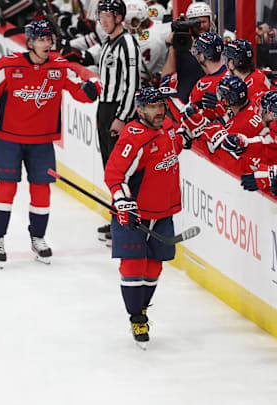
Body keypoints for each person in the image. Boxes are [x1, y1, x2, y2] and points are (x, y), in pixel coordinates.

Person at [0, 19, 99, 268]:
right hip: (10, 139)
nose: (47, 44)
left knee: (41, 191)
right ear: (29, 43)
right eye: (41, 40)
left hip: (42, 142)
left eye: (49, 39)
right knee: (6, 190)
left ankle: (38, 237)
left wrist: (92, 87)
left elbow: (80, 90)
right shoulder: (10, 66)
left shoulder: (58, 69)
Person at [103, 87, 192, 347]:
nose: (159, 110)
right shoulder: (133, 137)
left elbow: (173, 145)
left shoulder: (165, 128)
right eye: (153, 107)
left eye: (161, 106)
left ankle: (141, 310)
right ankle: (136, 317)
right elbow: (114, 175)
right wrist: (123, 203)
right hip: (134, 213)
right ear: (140, 110)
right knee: (132, 267)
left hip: (162, 212)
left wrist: (186, 136)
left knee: (154, 267)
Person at [96, 0, 141, 242]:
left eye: (108, 15)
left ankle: (126, 225)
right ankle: (118, 217)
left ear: (119, 17)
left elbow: (134, 83)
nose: (103, 20)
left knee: (120, 171)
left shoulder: (128, 43)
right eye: (101, 15)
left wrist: (122, 117)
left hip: (118, 112)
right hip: (105, 109)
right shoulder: (109, 42)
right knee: (110, 169)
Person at [159, 1, 212, 102]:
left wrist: (194, 50)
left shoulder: (217, 44)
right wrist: (171, 47)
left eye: (204, 22)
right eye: (196, 22)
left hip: (209, 100)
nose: (200, 26)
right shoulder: (181, 44)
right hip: (184, 104)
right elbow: (166, 78)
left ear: (211, 21)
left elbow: (216, 74)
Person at [122, 0, 170, 87]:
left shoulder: (147, 42)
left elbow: (136, 77)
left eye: (126, 21)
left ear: (135, 21)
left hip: (158, 84)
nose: (125, 24)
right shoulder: (156, 25)